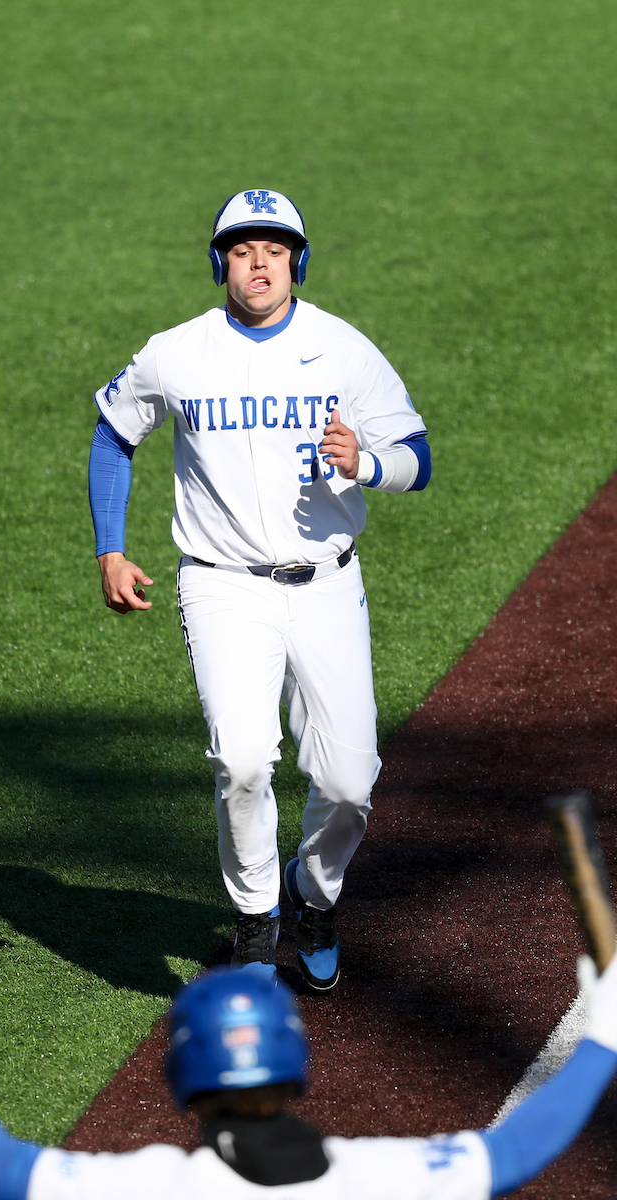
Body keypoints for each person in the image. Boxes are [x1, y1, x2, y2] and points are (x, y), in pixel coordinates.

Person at [88, 189, 431, 990]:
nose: (259, 264)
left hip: (325, 587)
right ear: (221, 264)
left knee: (349, 781)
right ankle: (253, 916)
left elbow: (417, 456)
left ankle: (315, 894)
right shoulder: (177, 352)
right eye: (242, 251)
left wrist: (365, 464)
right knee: (241, 759)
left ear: (296, 262)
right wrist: (110, 547)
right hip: (221, 588)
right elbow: (113, 431)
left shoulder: (343, 350)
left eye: (274, 250)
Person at [0, 917, 617, 1199]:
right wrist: (603, 1040)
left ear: (183, 1075)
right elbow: (516, 1150)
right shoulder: (386, 1179)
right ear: (295, 1058)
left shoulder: (144, 1187)